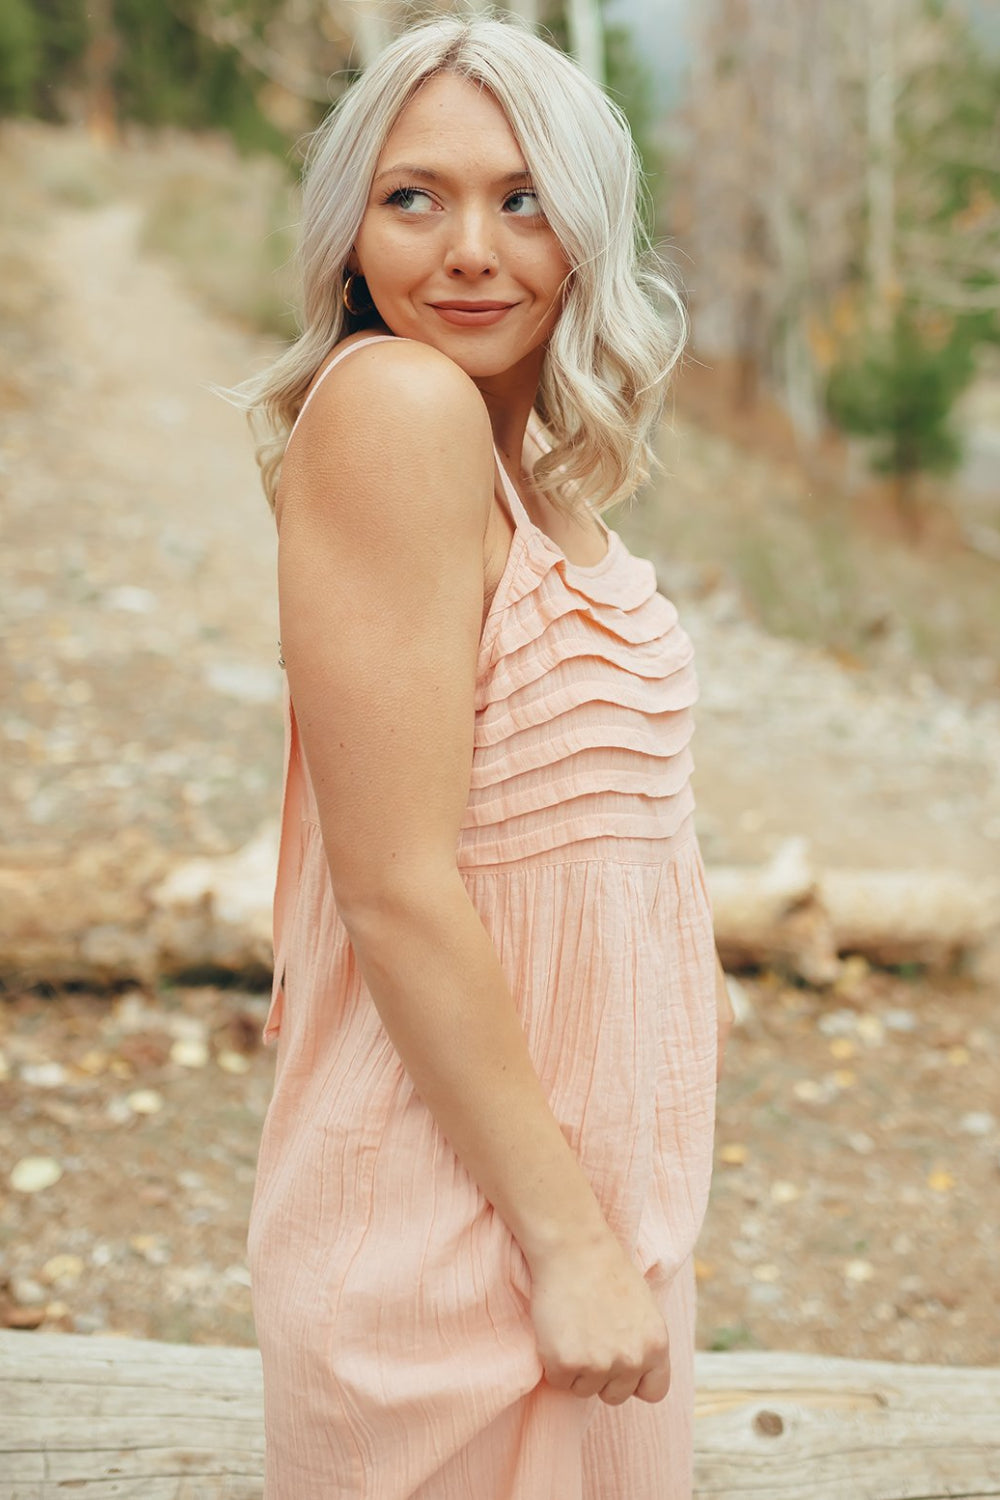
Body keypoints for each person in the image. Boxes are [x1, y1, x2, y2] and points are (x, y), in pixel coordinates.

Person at [236, 13, 734, 1499]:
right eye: (414, 197)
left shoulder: (523, 476)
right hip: (462, 1243)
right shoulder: (395, 411)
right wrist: (569, 1242)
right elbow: (392, 888)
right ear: (347, 239)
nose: (469, 248)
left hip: (590, 1230)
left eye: (521, 199)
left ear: (588, 229)